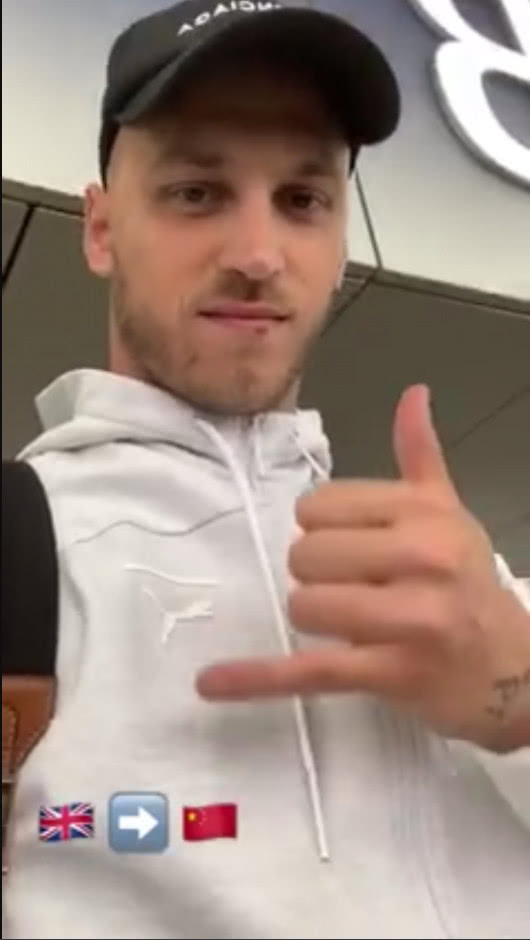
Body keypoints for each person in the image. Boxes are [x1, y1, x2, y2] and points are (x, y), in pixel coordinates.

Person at [3, 1, 529, 938]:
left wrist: (514, 697)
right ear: (101, 229)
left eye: (302, 200)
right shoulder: (18, 563)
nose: (257, 255)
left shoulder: (459, 579)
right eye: (196, 192)